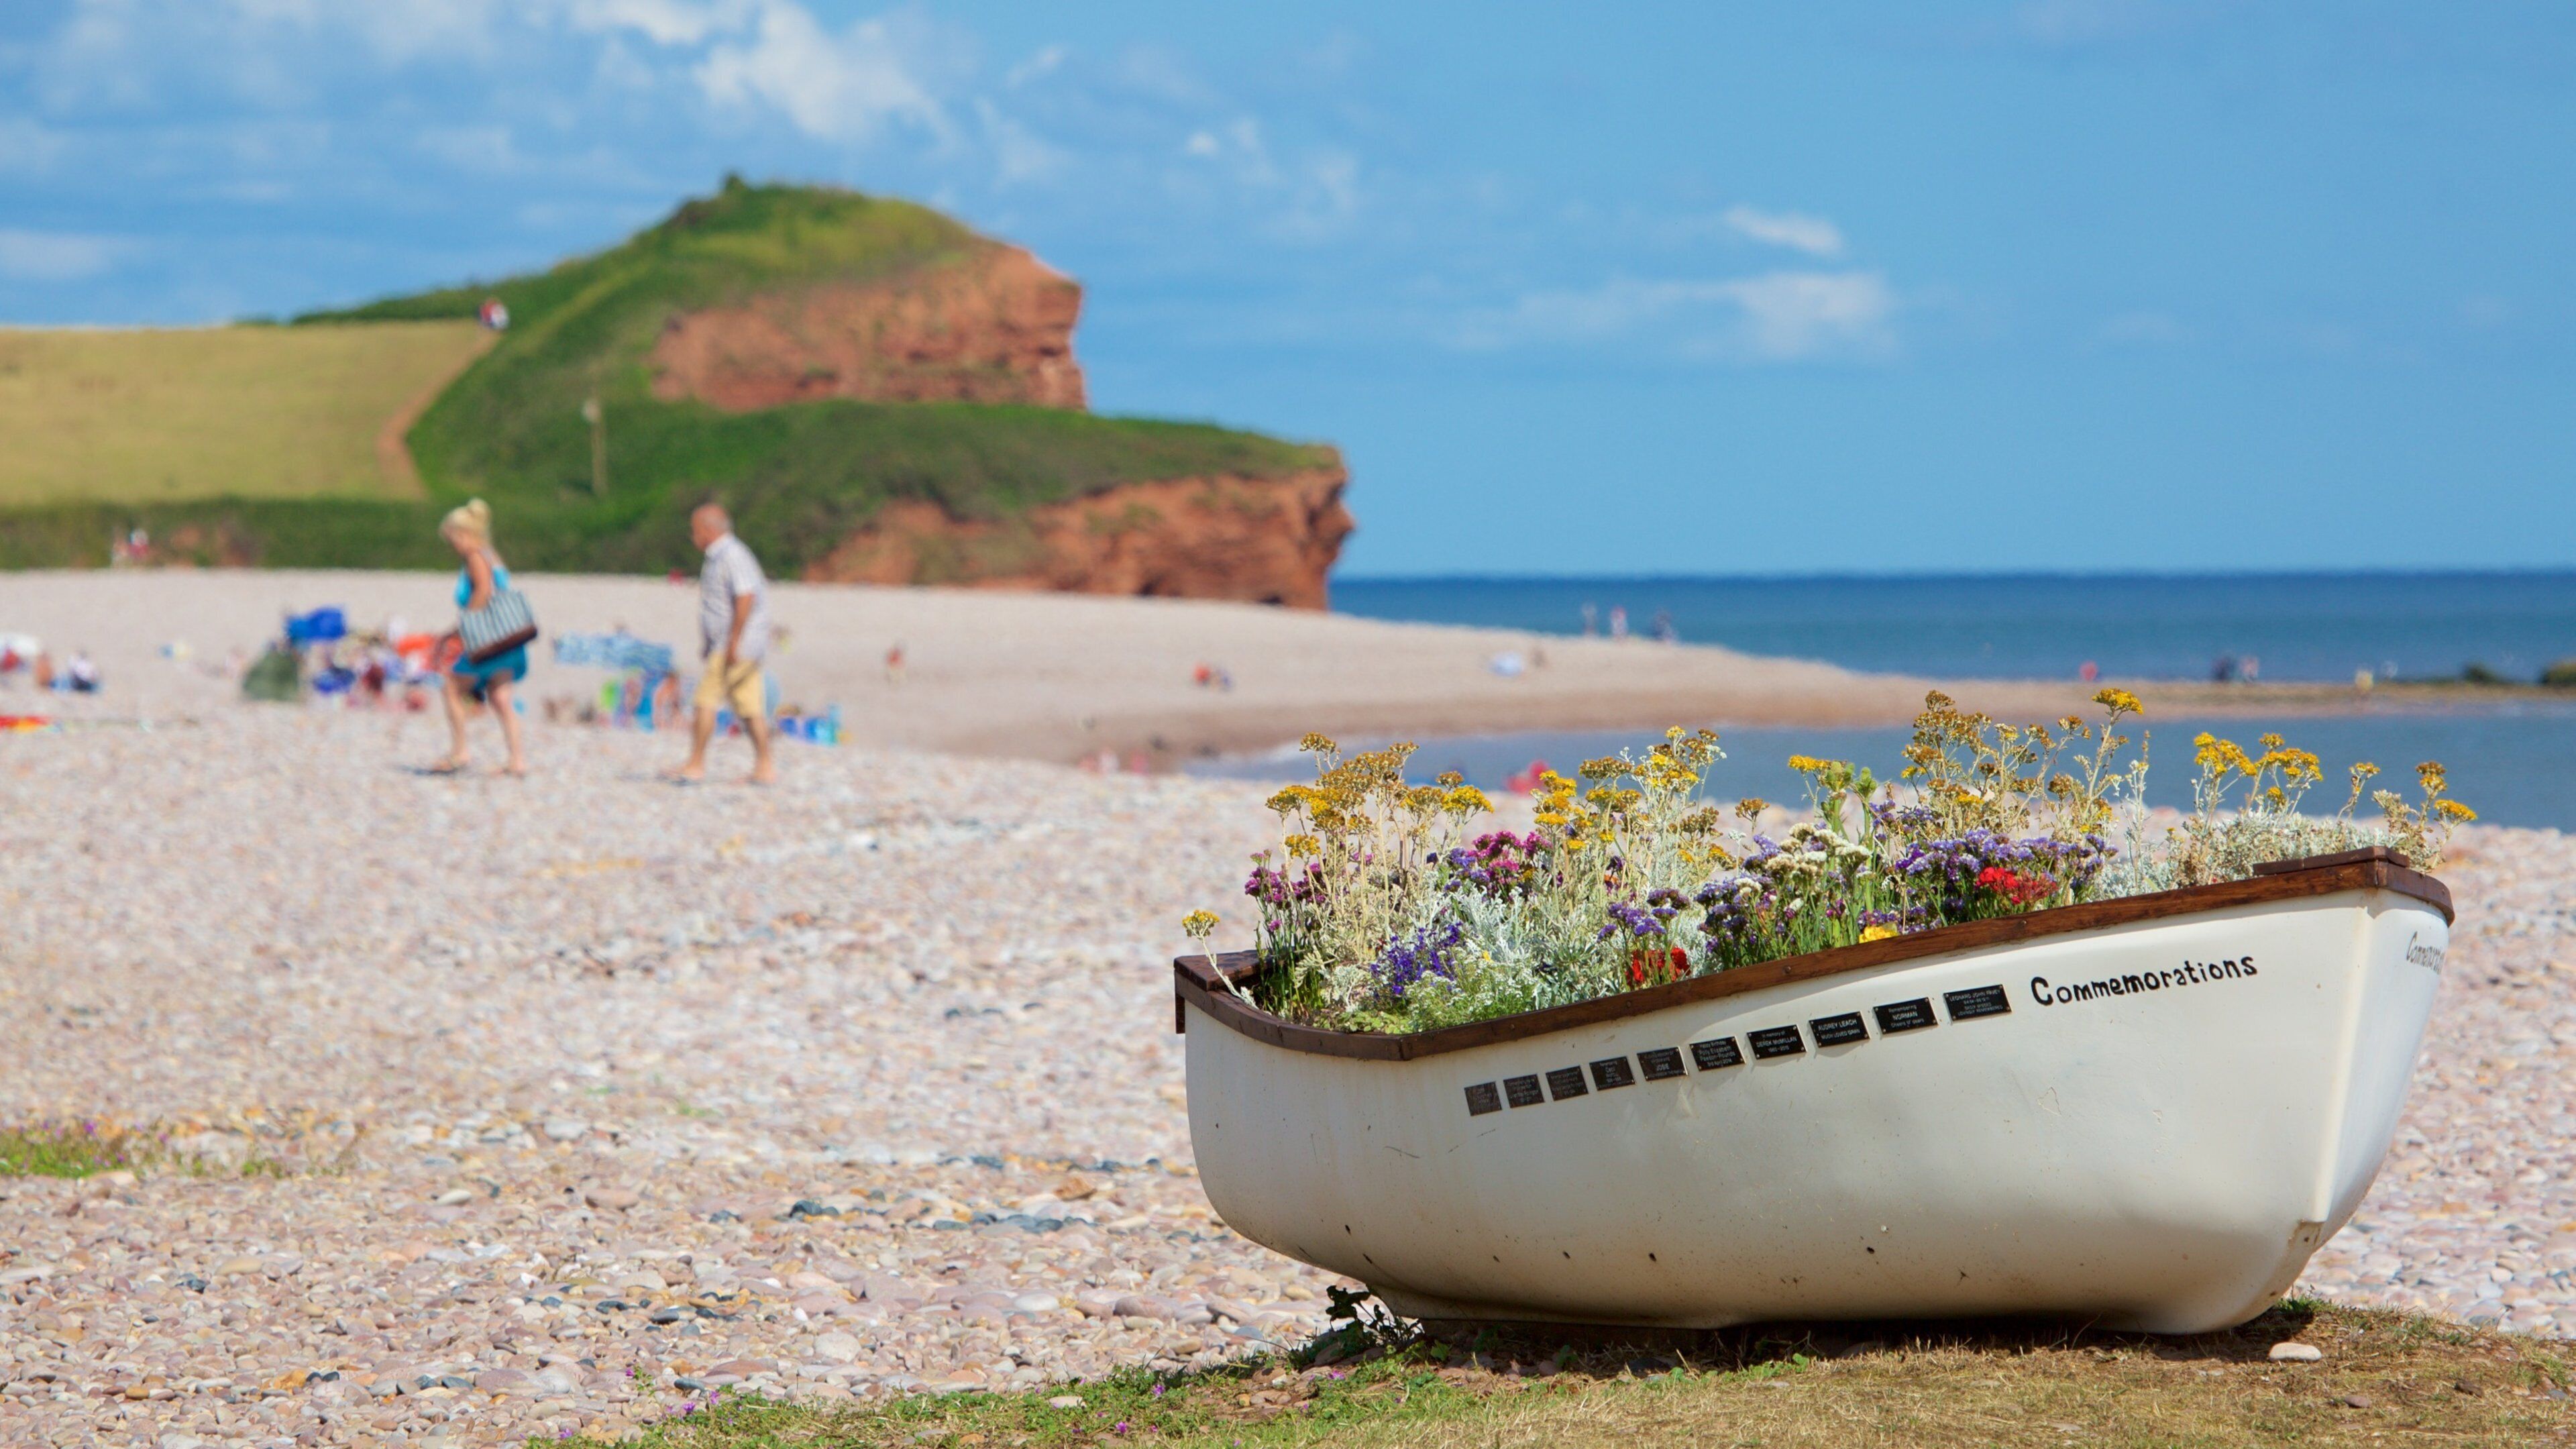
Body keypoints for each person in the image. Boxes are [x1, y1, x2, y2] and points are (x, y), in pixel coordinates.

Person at [668, 502, 775, 784]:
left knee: (705, 699)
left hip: (736, 645)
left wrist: (733, 641)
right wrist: (709, 641)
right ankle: (765, 767)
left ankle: (695, 764)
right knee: (749, 706)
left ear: (707, 530)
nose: (693, 537)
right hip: (732, 643)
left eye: (695, 531)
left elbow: (746, 597)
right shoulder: (718, 557)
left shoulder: (733, 555)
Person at [429, 498, 529, 776]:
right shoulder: (491, 554)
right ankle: (517, 760)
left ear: (462, 534)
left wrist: (457, 631)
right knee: (500, 696)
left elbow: (482, 593)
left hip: (489, 640)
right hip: (511, 637)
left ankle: (460, 752)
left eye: (451, 539)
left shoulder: (474, 557)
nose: (452, 546)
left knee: (450, 687)